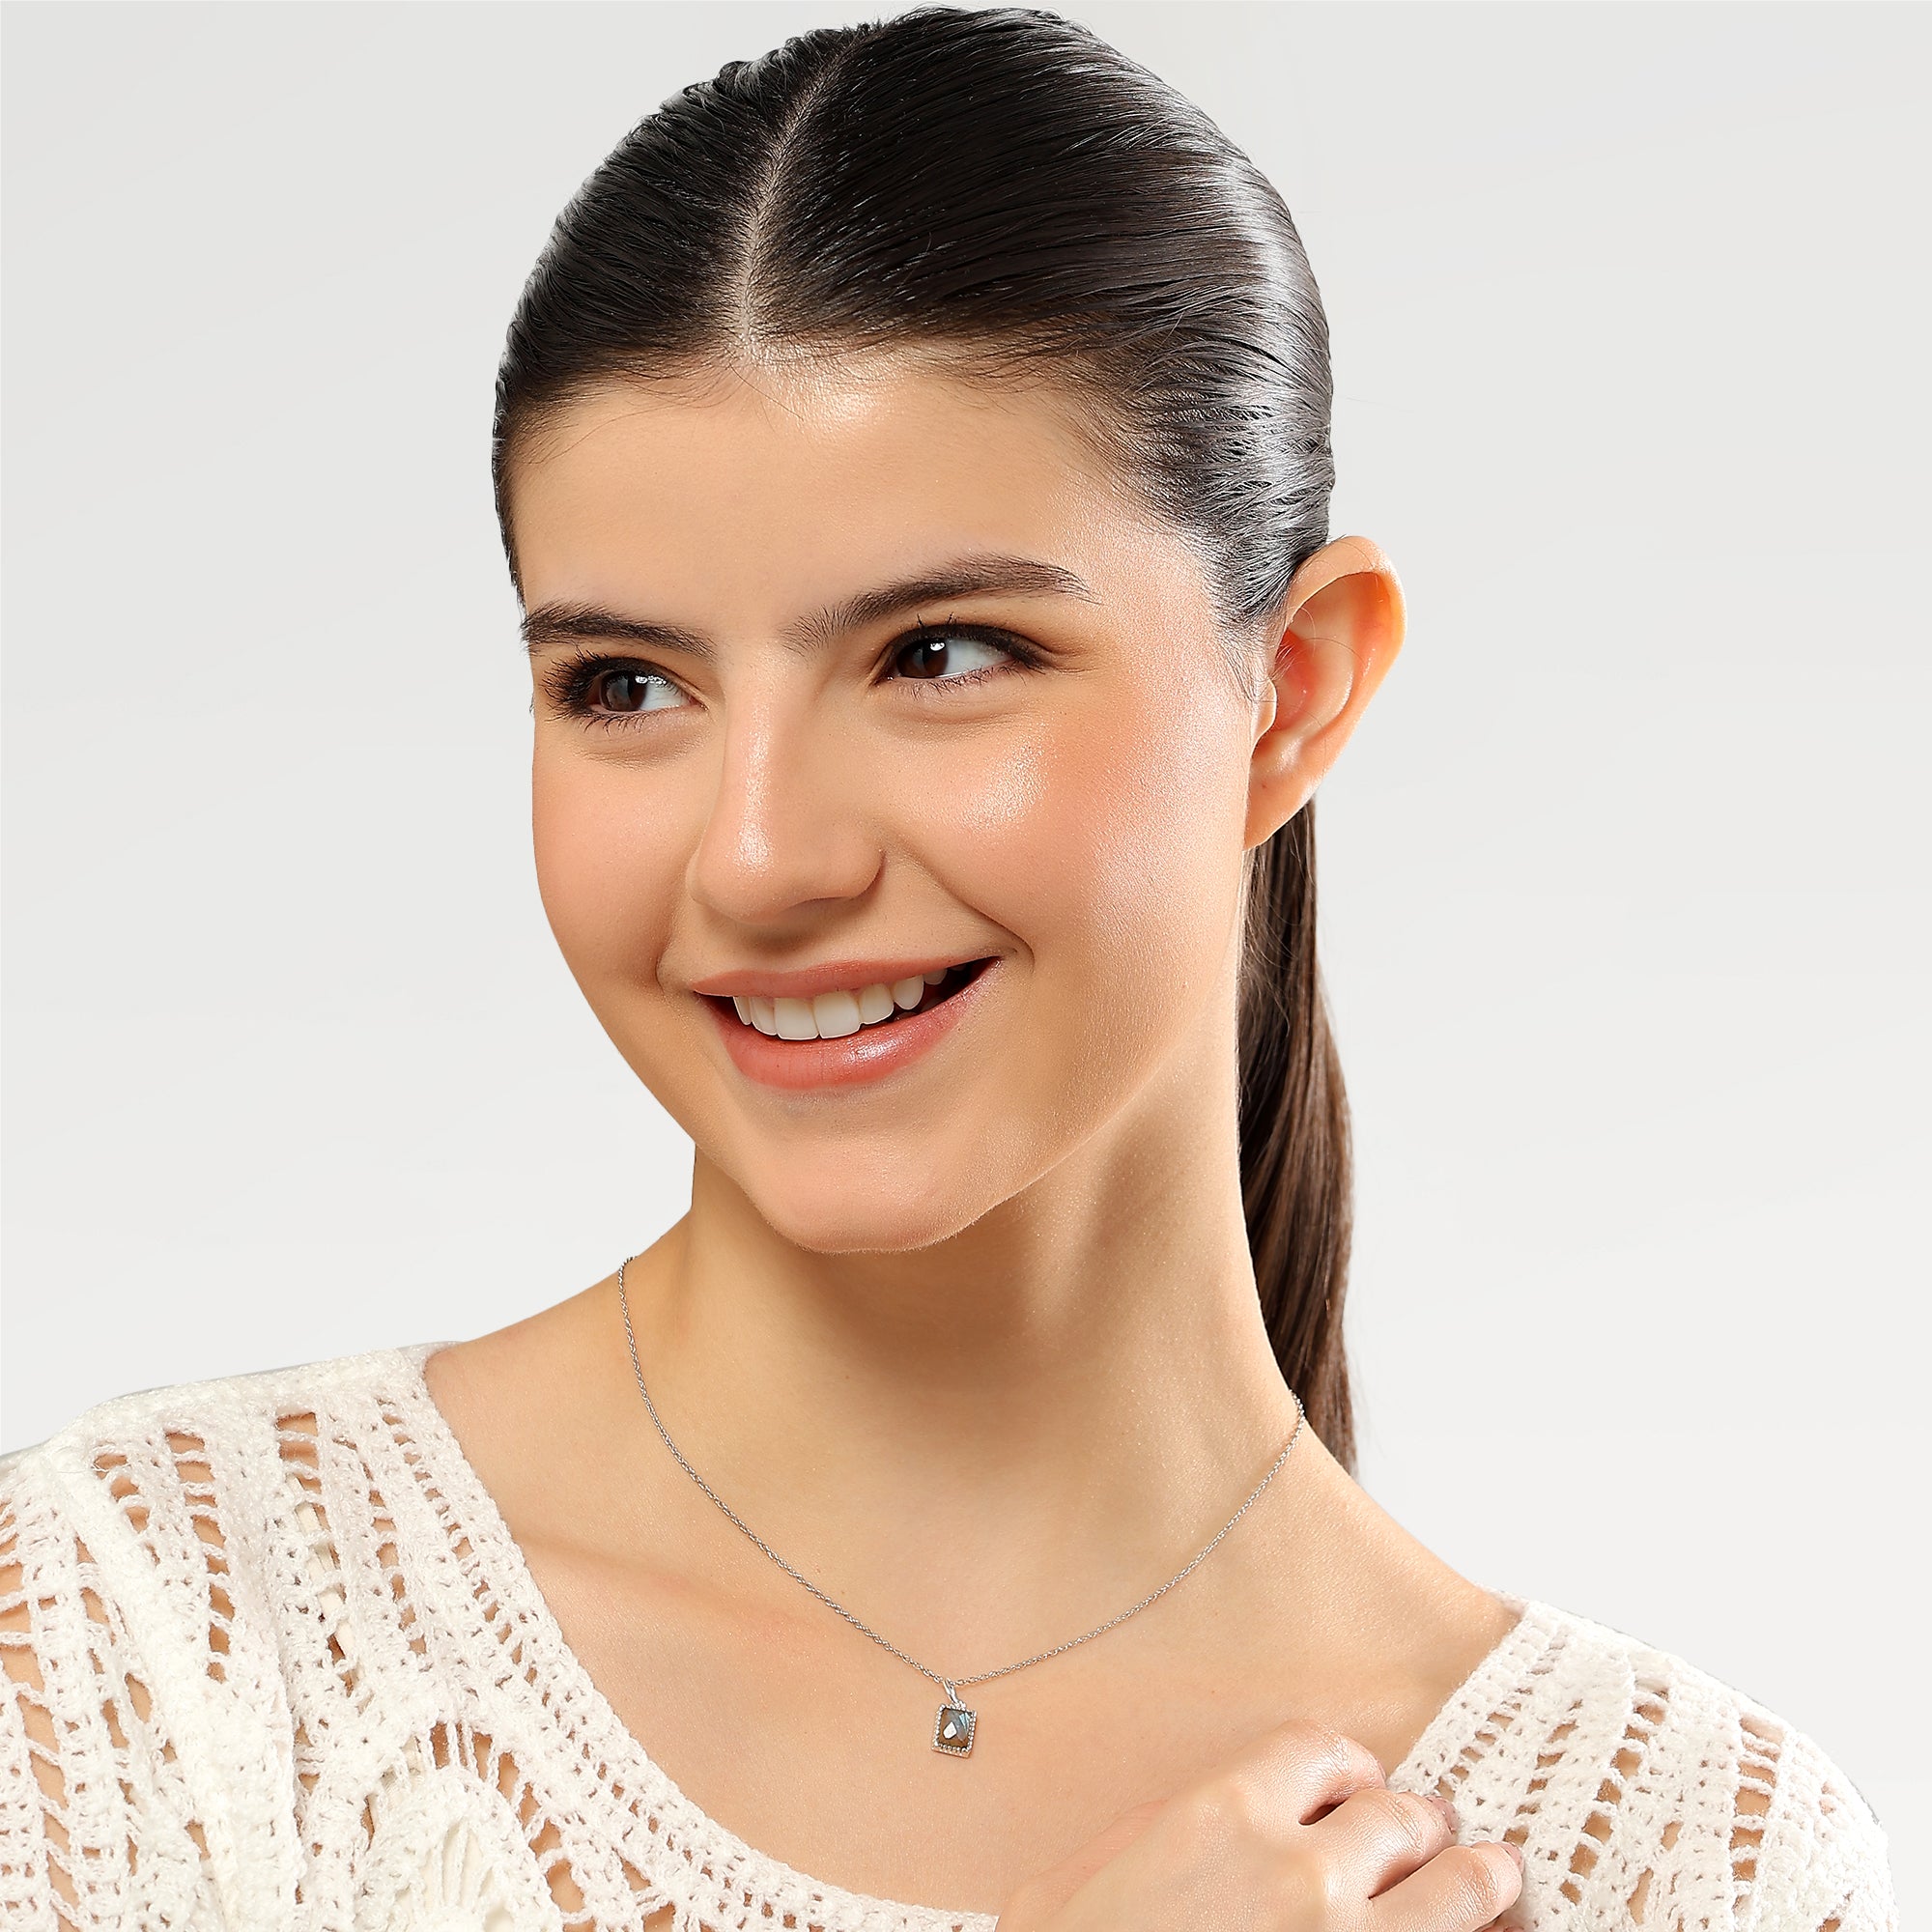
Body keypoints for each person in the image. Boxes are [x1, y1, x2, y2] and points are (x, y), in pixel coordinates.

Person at [0, 10, 1896, 1929]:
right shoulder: (140, 1645)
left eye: (939, 655)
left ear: (1292, 693)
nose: (757, 858)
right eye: (626, 686)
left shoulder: (1682, 1862)